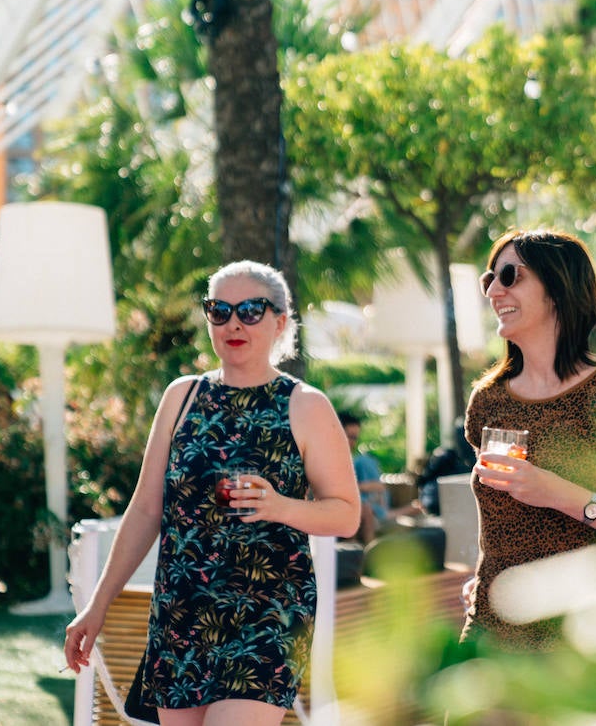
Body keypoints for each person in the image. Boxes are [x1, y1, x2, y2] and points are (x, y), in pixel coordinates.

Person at [63, 260, 359, 726]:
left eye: (250, 310)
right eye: (219, 310)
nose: (233, 322)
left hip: (268, 615)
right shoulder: (181, 396)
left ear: (280, 321)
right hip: (182, 612)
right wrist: (95, 608)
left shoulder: (305, 405)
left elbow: (345, 515)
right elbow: (144, 511)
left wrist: (278, 506)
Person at [463, 229, 596, 651]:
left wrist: (559, 493)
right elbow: (500, 524)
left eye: (509, 275)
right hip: (494, 626)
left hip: (592, 637)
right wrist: (483, 574)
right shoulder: (488, 401)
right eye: (490, 280)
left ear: (558, 288)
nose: (494, 291)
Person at [339, 411, 391, 544]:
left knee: (364, 508)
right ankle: (359, 552)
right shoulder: (326, 456)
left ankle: (364, 553)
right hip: (333, 504)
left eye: (355, 438)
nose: (352, 442)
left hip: (354, 504)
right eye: (350, 437)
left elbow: (379, 487)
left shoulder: (354, 460)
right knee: (364, 509)